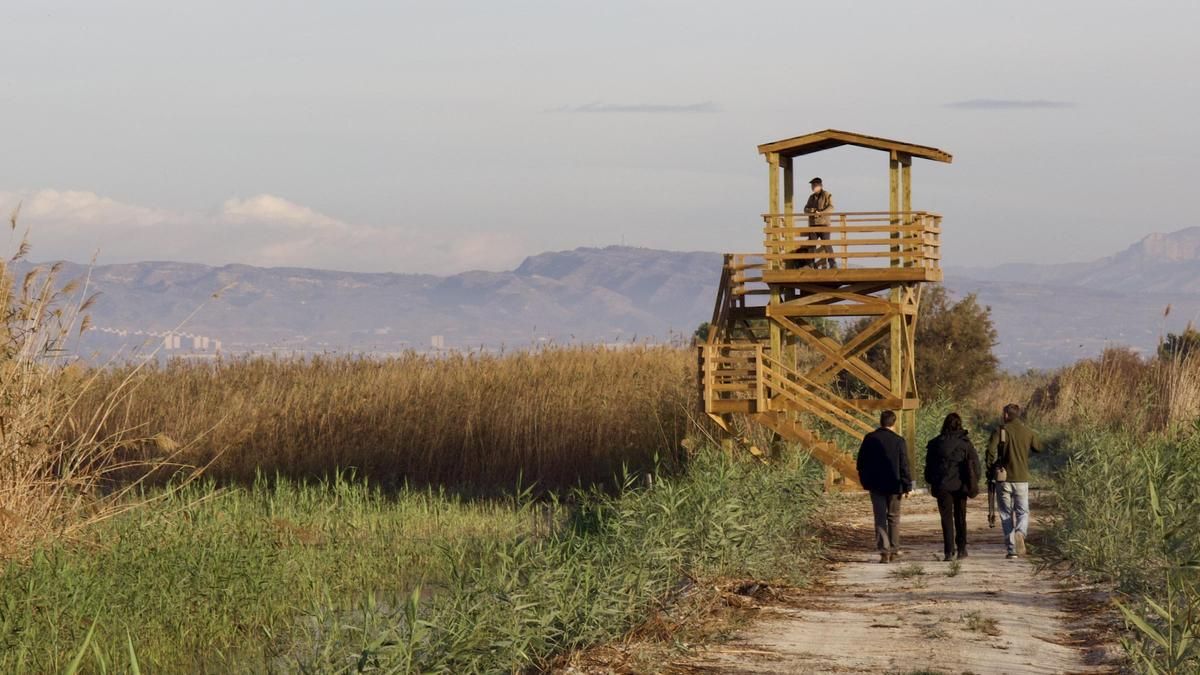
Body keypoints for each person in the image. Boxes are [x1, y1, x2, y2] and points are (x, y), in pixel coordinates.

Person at [986, 403, 1043, 559]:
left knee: (1005, 513)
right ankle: (1020, 532)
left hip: (1003, 478)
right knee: (1023, 511)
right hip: (1021, 479)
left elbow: (990, 451)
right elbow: (1039, 447)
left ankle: (1011, 550)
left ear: (1005, 415)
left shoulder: (1000, 431)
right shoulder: (1028, 431)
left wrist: (990, 469)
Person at [856, 410, 913, 563]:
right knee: (894, 517)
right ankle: (894, 549)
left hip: (875, 485)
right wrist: (907, 485)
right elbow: (904, 465)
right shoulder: (899, 441)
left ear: (881, 421)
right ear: (894, 423)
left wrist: (865, 481)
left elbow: (861, 463)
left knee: (880, 518)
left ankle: (884, 552)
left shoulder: (869, 438)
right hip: (895, 484)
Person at [924, 412, 982, 562]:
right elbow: (975, 465)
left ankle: (949, 551)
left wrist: (931, 481)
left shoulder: (935, 443)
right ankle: (962, 548)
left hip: (942, 485)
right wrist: (973, 482)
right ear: (959, 424)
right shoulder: (965, 444)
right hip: (960, 485)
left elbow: (929, 467)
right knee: (960, 516)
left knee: (946, 518)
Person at [803, 177, 836, 269]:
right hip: (813, 224)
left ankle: (833, 263)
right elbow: (805, 209)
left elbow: (831, 207)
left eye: (815, 185)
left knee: (826, 244)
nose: (813, 187)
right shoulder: (811, 197)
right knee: (812, 245)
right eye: (812, 186)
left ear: (820, 186)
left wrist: (821, 212)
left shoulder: (827, 194)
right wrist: (812, 210)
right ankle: (811, 264)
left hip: (824, 224)